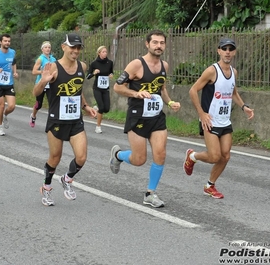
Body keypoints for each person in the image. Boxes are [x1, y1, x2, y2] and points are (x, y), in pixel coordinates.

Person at [109, 30, 181, 208]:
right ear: (147, 44)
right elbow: (118, 87)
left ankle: (150, 193)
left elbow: (161, 88)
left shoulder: (164, 65)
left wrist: (170, 102)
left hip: (156, 117)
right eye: (155, 42)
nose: (158, 46)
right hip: (137, 116)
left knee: (161, 154)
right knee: (139, 159)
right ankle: (118, 155)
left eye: (162, 43)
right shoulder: (136, 65)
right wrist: (136, 93)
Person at [183, 38, 254, 199]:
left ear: (234, 52)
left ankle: (209, 185)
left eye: (231, 49)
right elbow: (193, 91)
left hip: (225, 121)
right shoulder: (211, 71)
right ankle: (192, 156)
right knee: (214, 156)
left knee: (226, 156)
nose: (228, 52)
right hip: (210, 120)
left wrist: (244, 107)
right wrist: (201, 114)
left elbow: (233, 92)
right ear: (219, 51)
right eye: (224, 48)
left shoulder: (233, 72)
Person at [33, 33, 97, 206]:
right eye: (72, 47)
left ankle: (67, 179)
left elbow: (77, 89)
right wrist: (43, 81)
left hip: (76, 120)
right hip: (56, 120)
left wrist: (85, 106)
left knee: (81, 157)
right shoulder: (52, 67)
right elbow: (36, 93)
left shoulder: (82, 66)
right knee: (55, 158)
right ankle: (46, 188)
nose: (75, 51)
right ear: (63, 47)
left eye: (78, 48)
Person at [0, 34, 18, 136]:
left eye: (8, 41)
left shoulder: (12, 52)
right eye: (5, 41)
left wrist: (15, 72)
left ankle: (5, 115)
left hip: (9, 83)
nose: (7, 43)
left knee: (11, 106)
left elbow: (13, 63)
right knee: (1, 106)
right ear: (0, 42)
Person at [86, 46, 114, 133]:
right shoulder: (94, 63)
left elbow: (111, 71)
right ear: (99, 53)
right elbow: (88, 76)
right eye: (103, 52)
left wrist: (111, 74)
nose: (105, 53)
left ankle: (96, 108)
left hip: (105, 88)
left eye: (106, 52)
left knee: (107, 109)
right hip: (97, 88)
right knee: (102, 108)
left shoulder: (110, 62)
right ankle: (98, 127)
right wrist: (94, 73)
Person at [30, 41, 56, 128]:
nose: (48, 49)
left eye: (49, 47)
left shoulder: (53, 59)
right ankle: (33, 116)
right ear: (42, 49)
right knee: (39, 104)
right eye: (45, 47)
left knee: (52, 103)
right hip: (41, 83)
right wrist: (43, 72)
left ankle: (51, 123)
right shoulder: (40, 59)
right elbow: (34, 71)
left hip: (51, 84)